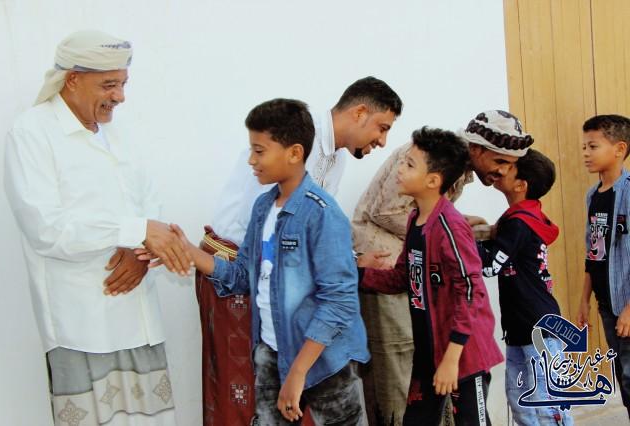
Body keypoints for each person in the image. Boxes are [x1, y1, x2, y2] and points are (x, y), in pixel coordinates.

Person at [3, 30, 189, 425]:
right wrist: (136, 231)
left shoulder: (118, 134)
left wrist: (141, 253)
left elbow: (149, 205)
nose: (119, 96)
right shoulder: (32, 132)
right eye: (109, 85)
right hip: (81, 324)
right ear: (72, 79)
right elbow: (46, 228)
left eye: (123, 84)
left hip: (139, 317)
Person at [196, 77, 402, 425]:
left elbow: (311, 235)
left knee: (296, 386)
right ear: (359, 112)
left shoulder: (334, 159)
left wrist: (350, 260)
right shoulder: (289, 141)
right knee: (244, 391)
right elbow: (268, 235)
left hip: (284, 286)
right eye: (382, 128)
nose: (382, 141)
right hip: (240, 269)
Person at [158, 98, 370, 425]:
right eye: (251, 150)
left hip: (321, 360)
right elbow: (242, 276)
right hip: (272, 351)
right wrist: (187, 250)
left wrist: (298, 371)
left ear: (295, 154)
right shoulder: (261, 209)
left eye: (259, 151)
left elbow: (339, 302)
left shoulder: (323, 214)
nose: (251, 161)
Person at [351, 109, 531, 425]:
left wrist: (452, 357)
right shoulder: (419, 216)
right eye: (500, 161)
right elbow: (401, 271)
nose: (502, 172)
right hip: (430, 348)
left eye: (408, 164)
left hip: (460, 354)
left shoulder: (444, 223)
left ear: (433, 181)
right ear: (477, 149)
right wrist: (351, 274)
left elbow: (469, 290)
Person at [477, 149, 573, 425]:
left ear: (521, 185)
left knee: (547, 404)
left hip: (537, 327)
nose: (500, 169)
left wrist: (459, 235)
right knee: (520, 402)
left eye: (508, 166)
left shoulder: (519, 223)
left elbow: (489, 266)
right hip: (521, 327)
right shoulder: (518, 218)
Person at [577, 114, 630, 418]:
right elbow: (593, 251)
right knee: (623, 373)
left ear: (619, 148)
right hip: (606, 303)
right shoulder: (592, 196)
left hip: (627, 304)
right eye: (584, 146)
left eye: (593, 146)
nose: (585, 153)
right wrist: (584, 299)